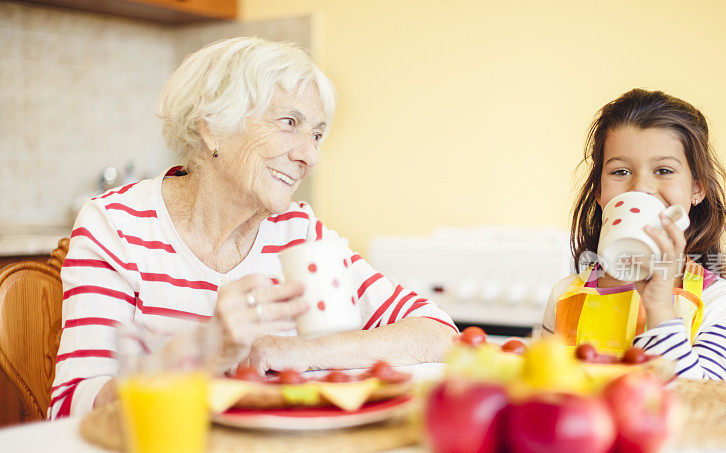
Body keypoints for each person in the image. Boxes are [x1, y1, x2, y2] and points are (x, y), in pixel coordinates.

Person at [48, 37, 456, 419]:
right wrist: (210, 349)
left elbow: (437, 332)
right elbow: (70, 407)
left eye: (316, 134)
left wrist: (299, 352)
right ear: (211, 125)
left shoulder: (298, 231)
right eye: (288, 122)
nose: (310, 155)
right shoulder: (116, 225)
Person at [542, 89, 726, 382]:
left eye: (664, 170)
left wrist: (659, 308)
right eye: (620, 171)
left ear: (697, 189)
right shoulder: (564, 295)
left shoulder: (724, 302)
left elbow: (707, 410)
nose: (641, 187)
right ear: (599, 192)